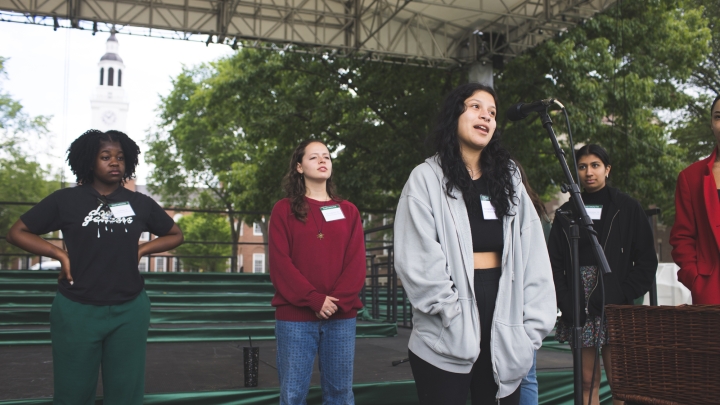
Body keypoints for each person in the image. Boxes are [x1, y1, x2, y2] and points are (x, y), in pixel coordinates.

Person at [394, 82, 557, 405]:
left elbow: (534, 253)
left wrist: (530, 331)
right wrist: (450, 314)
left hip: (504, 314)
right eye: (475, 107)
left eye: (493, 112)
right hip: (447, 325)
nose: (486, 116)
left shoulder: (508, 179)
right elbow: (416, 257)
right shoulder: (425, 178)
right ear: (455, 115)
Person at [6, 129, 184, 405]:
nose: (115, 162)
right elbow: (17, 231)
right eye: (105, 157)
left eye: (120, 157)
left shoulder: (139, 203)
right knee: (73, 394)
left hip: (129, 309)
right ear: (89, 161)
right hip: (77, 309)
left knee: (126, 395)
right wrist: (59, 254)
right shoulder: (65, 200)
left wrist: (142, 249)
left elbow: (175, 234)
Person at [549, 144, 657, 405]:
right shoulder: (565, 213)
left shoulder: (628, 208)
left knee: (620, 382)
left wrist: (622, 292)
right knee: (587, 381)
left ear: (607, 169)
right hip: (579, 302)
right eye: (582, 167)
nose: (589, 172)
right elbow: (552, 263)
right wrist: (565, 300)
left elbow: (646, 261)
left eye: (595, 165)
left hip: (614, 298)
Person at [268, 139, 366, 405]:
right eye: (314, 157)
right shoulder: (283, 209)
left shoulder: (349, 211)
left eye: (327, 156)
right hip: (295, 317)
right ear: (299, 167)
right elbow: (280, 264)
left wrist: (336, 303)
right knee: (292, 395)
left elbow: (356, 263)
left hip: (341, 315)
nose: (323, 161)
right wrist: (314, 299)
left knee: (340, 395)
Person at [670, 94, 720, 304]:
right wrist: (696, 279)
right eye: (718, 116)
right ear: (711, 123)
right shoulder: (691, 177)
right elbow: (682, 238)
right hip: (711, 291)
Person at [515, 162, 551, 405]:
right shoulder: (537, 209)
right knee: (528, 377)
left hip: (520, 299)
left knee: (526, 376)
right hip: (527, 299)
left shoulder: (527, 209)